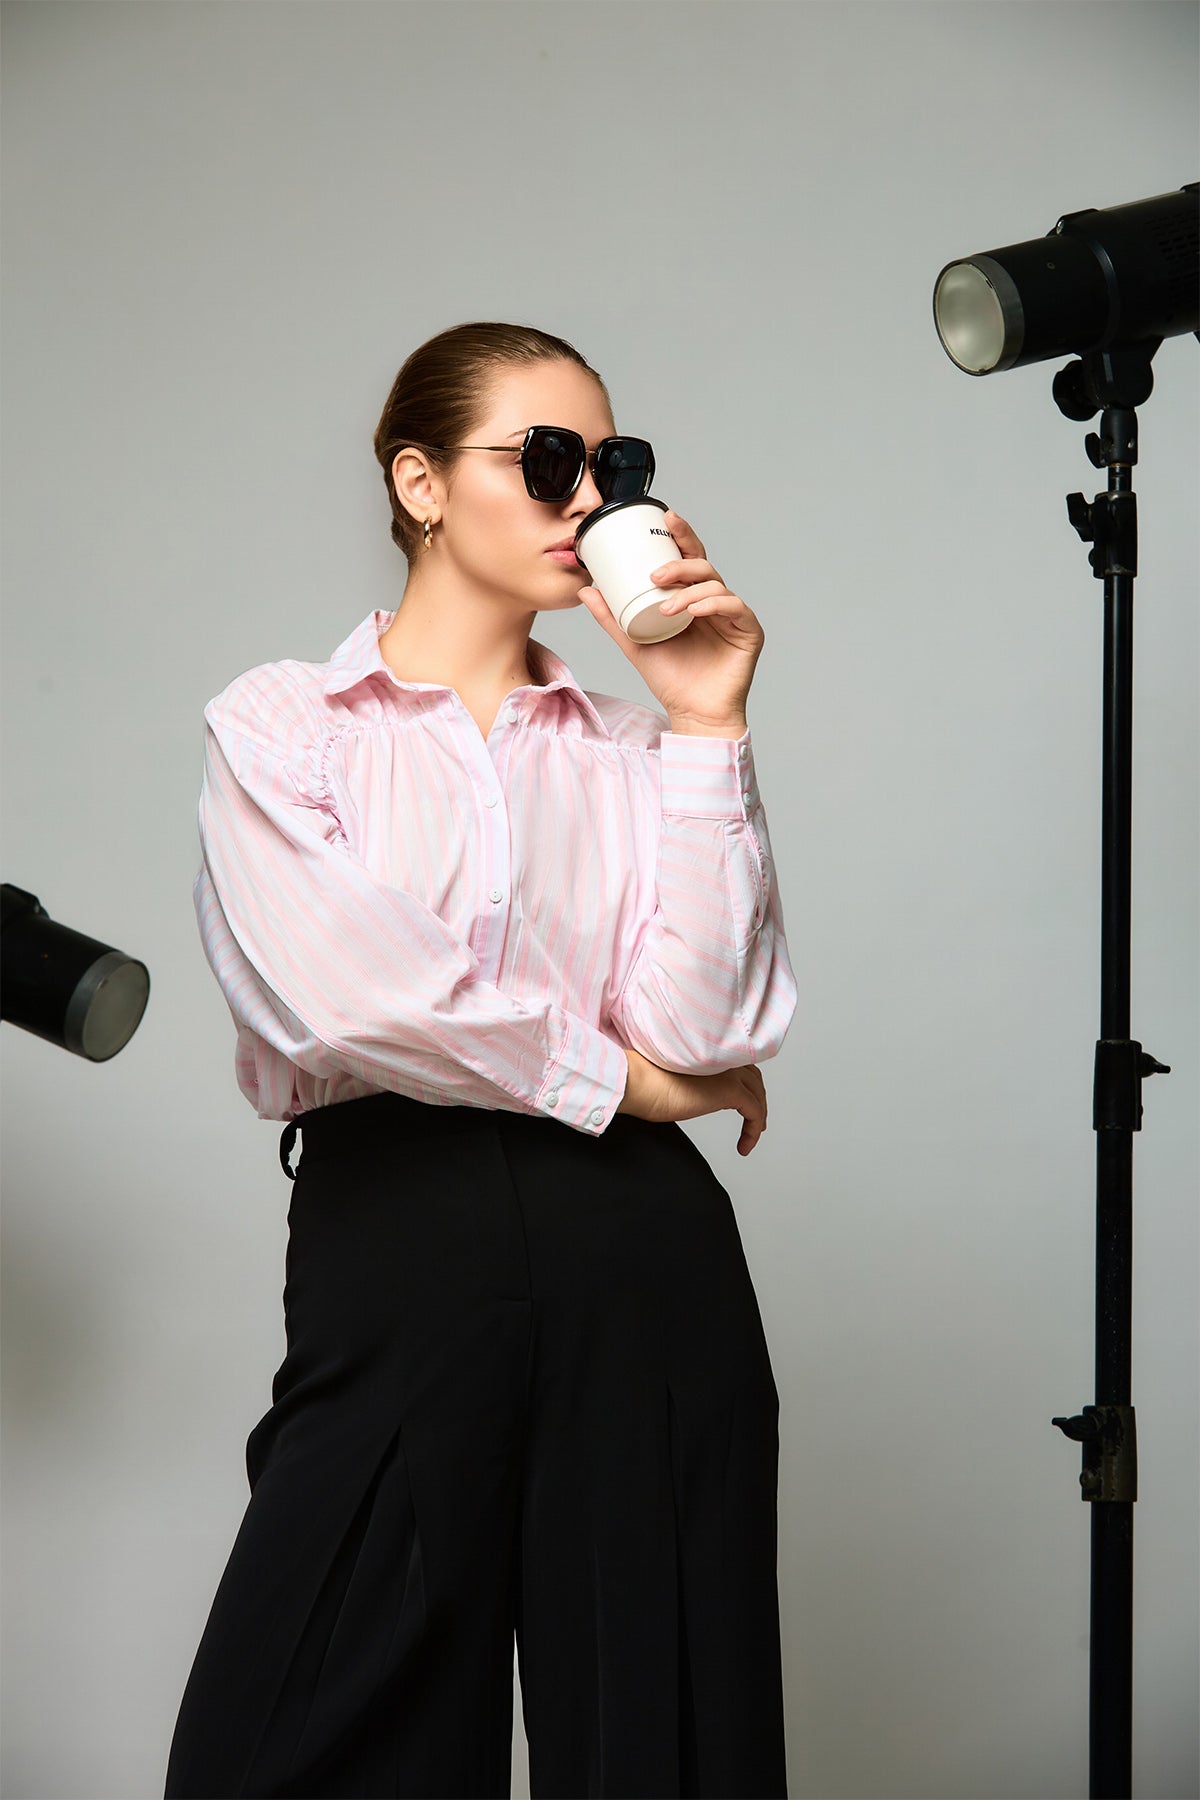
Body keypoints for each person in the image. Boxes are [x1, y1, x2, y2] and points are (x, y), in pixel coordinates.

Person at [164, 321, 798, 1799]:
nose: (594, 499)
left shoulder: (639, 750)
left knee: (665, 1733)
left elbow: (708, 1027)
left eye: (615, 465)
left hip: (640, 1248)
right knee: (305, 1727)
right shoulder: (285, 728)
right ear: (422, 482)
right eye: (549, 459)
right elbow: (349, 1001)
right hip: (402, 1232)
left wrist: (707, 719)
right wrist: (625, 1085)